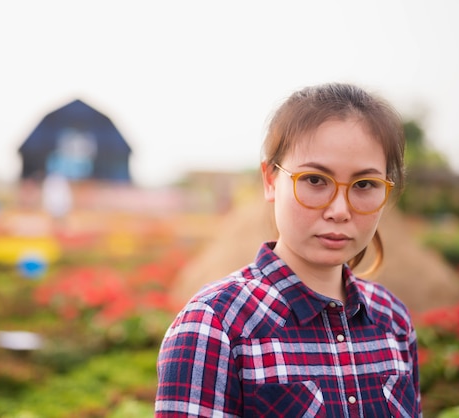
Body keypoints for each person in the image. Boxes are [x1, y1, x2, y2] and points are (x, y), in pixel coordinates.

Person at [155, 83, 421, 417]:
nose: (339, 210)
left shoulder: (393, 320)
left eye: (364, 185)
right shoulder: (215, 326)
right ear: (270, 180)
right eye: (314, 180)